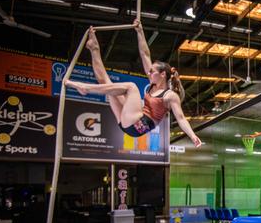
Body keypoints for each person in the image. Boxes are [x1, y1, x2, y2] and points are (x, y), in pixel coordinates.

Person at [65, 20, 202, 147]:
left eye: (152, 72)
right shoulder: (153, 84)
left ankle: (85, 88)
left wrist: (192, 136)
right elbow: (145, 54)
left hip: (138, 124)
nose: (148, 73)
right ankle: (94, 49)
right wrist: (140, 32)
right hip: (127, 125)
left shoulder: (170, 96)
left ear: (163, 75)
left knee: (131, 87)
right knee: (106, 84)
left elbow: (181, 118)